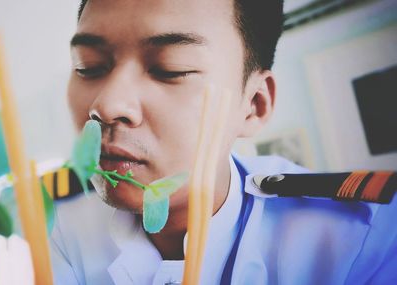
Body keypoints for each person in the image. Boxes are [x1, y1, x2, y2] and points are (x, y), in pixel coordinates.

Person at [49, 0, 397, 284]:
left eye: (171, 69)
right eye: (88, 67)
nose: (106, 106)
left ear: (254, 104)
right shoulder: (59, 225)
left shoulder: (359, 237)